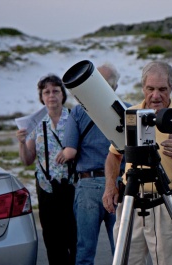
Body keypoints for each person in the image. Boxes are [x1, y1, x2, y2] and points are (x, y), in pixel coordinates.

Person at [102, 61, 172, 265]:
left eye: (162, 89)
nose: (156, 95)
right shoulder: (131, 116)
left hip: (168, 201)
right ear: (143, 87)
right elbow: (114, 155)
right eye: (150, 89)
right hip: (131, 201)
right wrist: (110, 185)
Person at [62, 63, 128, 265]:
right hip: (119, 183)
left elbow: (70, 151)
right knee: (121, 248)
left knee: (84, 249)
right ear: (114, 87)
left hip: (88, 185)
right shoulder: (127, 110)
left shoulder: (78, 113)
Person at [16, 74, 76, 265]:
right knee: (52, 240)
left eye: (56, 91)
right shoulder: (36, 124)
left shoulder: (74, 119)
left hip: (72, 187)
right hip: (46, 189)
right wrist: (21, 142)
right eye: (47, 92)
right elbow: (27, 160)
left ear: (62, 95)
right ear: (41, 97)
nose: (51, 96)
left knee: (75, 238)